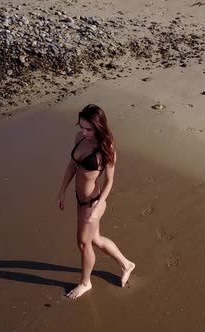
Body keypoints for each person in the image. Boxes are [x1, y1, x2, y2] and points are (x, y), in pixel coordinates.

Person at [57, 104, 135, 299]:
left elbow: (109, 182)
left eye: (89, 129)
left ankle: (86, 282)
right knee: (95, 239)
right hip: (80, 200)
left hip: (93, 203)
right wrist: (62, 190)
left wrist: (97, 207)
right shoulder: (80, 137)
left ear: (99, 126)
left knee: (84, 243)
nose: (84, 132)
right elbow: (71, 166)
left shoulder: (106, 148)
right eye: (81, 126)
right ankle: (127, 264)